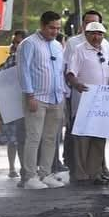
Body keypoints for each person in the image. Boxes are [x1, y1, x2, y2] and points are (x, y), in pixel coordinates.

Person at [18, 11, 67, 190]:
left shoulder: (57, 46)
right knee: (34, 137)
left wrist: (63, 94)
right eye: (51, 27)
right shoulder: (29, 43)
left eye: (57, 28)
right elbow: (23, 71)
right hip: (36, 98)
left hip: (56, 98)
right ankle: (30, 177)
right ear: (42, 25)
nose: (55, 31)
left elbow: (60, 71)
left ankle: (45, 174)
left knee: (51, 138)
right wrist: (29, 95)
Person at [65, 21, 109, 185]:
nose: (96, 36)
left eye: (100, 33)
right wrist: (77, 84)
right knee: (82, 138)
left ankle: (95, 173)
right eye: (93, 33)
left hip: (102, 101)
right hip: (84, 99)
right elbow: (70, 74)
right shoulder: (79, 50)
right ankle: (81, 173)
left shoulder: (105, 48)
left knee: (99, 138)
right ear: (86, 34)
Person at [0, 31, 27, 178]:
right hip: (12, 102)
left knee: (20, 139)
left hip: (21, 103)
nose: (15, 45)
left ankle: (23, 168)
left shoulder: (19, 58)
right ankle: (13, 168)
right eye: (14, 42)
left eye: (18, 42)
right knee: (13, 139)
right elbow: (0, 77)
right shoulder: (12, 58)